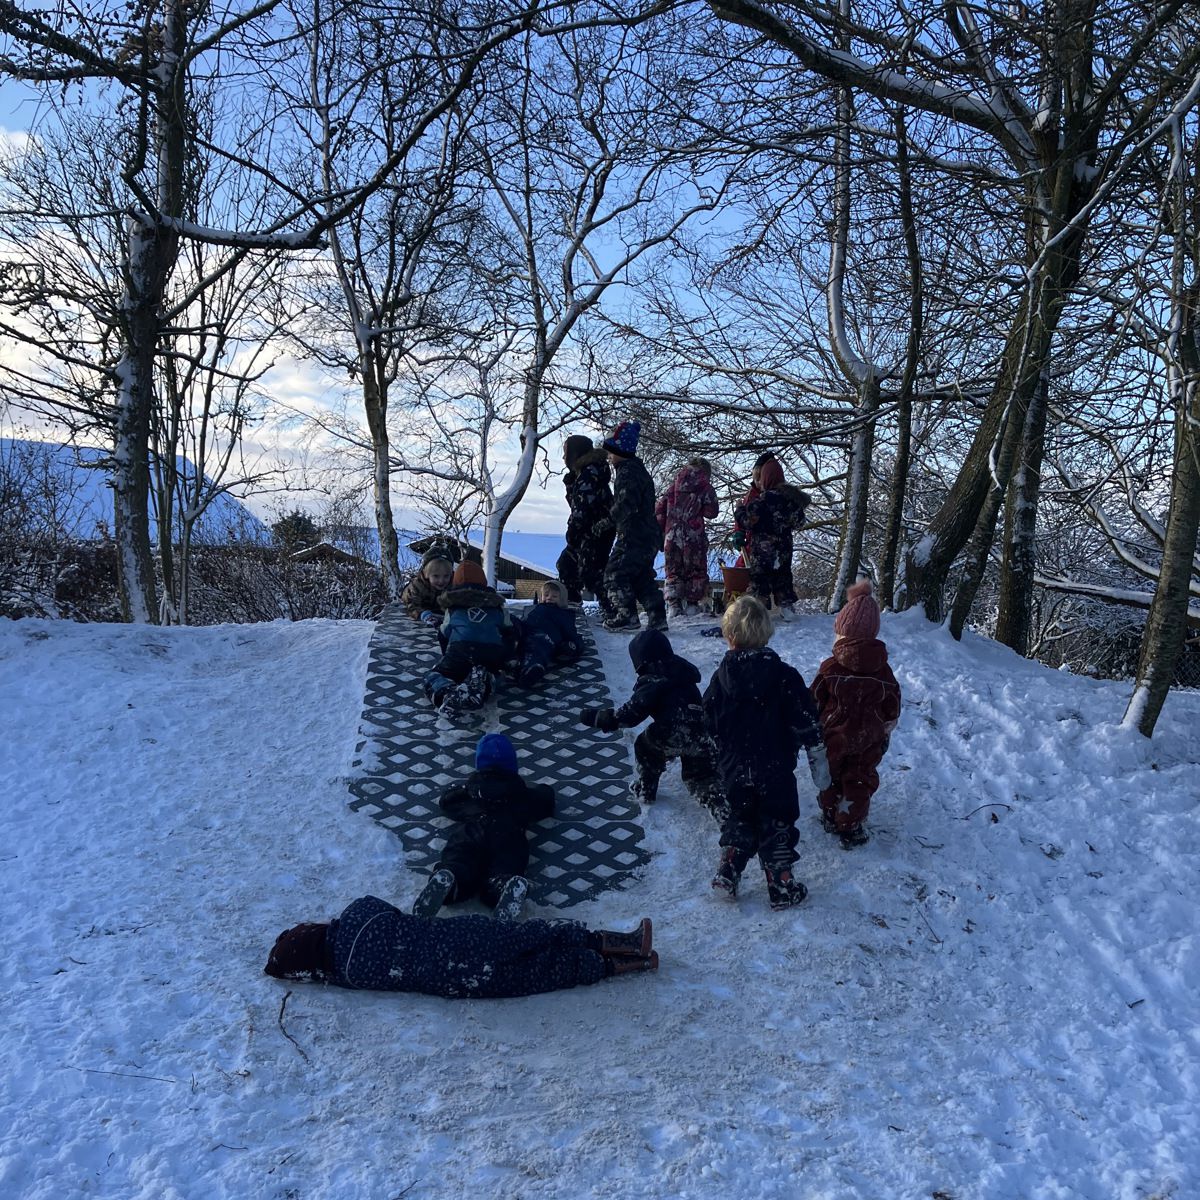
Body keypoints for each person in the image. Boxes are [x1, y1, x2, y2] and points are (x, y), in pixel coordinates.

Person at [264, 897, 658, 999]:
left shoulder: (348, 977)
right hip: (460, 937)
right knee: (535, 935)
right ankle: (618, 942)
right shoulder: (359, 914)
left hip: (457, 981)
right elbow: (387, 911)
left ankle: (618, 968)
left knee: (544, 973)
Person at [703, 595, 829, 910]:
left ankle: (729, 870)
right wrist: (818, 757)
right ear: (767, 633)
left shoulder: (721, 679)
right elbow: (806, 718)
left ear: (729, 636)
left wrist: (716, 755)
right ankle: (781, 883)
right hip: (775, 768)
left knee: (741, 816)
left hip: (735, 768)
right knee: (778, 820)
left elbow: (707, 720)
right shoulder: (785, 677)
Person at [579, 628, 725, 819]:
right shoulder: (682, 672)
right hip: (700, 731)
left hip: (672, 731)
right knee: (701, 776)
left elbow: (631, 714)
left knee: (646, 746)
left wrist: (604, 719)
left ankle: (646, 788)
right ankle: (718, 805)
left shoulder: (653, 680)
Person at [412, 733, 554, 921]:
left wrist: (462, 790)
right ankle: (502, 885)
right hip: (508, 835)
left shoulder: (471, 793)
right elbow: (545, 800)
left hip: (471, 832)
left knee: (460, 855)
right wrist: (544, 789)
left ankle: (451, 878)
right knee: (508, 861)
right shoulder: (522, 795)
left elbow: (446, 802)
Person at [812, 579, 902, 847]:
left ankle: (830, 813)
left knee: (831, 775)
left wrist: (814, 721)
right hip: (869, 738)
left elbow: (814, 698)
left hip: (833, 735)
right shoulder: (884, 672)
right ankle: (850, 824)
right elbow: (892, 704)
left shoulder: (830, 668)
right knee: (860, 779)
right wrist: (887, 725)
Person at [423, 561, 515, 717]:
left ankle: (446, 693)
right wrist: (507, 658)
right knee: (497, 673)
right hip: (492, 651)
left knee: (433, 676)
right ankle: (486, 679)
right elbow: (508, 631)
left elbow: (443, 633)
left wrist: (448, 656)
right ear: (484, 582)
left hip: (461, 651)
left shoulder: (453, 606)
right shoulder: (497, 605)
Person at [601, 419, 667, 633]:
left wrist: (607, 522)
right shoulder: (637, 469)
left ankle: (626, 615)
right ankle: (657, 615)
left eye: (611, 450)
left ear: (622, 448)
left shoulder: (628, 472)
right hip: (649, 535)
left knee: (615, 573)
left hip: (633, 534)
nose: (608, 456)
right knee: (640, 576)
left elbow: (626, 504)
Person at [733, 458, 810, 615]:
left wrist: (740, 509)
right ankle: (787, 608)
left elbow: (748, 521)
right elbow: (800, 522)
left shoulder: (762, 500)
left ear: (766, 479)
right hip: (784, 549)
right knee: (783, 578)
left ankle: (757, 611)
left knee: (759, 579)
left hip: (763, 551)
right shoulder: (792, 502)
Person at [557, 435, 616, 615]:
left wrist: (573, 533)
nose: (563, 457)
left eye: (566, 452)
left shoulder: (589, 474)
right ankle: (573, 601)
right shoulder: (585, 473)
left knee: (592, 572)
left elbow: (582, 509)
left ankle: (614, 609)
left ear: (574, 453)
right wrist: (570, 485)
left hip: (595, 530)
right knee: (568, 564)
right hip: (592, 529)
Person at [656, 458, 719, 618]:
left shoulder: (673, 486)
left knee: (673, 570)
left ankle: (673, 605)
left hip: (672, 535)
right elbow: (712, 512)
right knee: (696, 569)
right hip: (693, 536)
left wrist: (662, 530)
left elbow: (659, 509)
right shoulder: (705, 487)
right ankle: (692, 604)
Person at [511, 580, 583, 688]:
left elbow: (573, 635)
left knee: (537, 647)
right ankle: (505, 659)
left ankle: (531, 669)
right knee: (511, 626)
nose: (549, 598)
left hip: (545, 636)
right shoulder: (537, 607)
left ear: (562, 599)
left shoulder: (564, 615)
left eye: (554, 596)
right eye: (546, 595)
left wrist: (573, 646)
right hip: (526, 629)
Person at [730, 452, 777, 567]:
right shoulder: (751, 495)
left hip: (768, 549)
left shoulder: (773, 498)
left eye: (760, 479)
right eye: (756, 479)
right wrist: (739, 532)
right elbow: (742, 520)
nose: (757, 483)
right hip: (751, 546)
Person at [401, 549, 455, 625]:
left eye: (446, 576)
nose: (441, 581)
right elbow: (411, 604)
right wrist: (424, 615)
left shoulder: (454, 586)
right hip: (419, 620)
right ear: (426, 574)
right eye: (436, 576)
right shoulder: (417, 586)